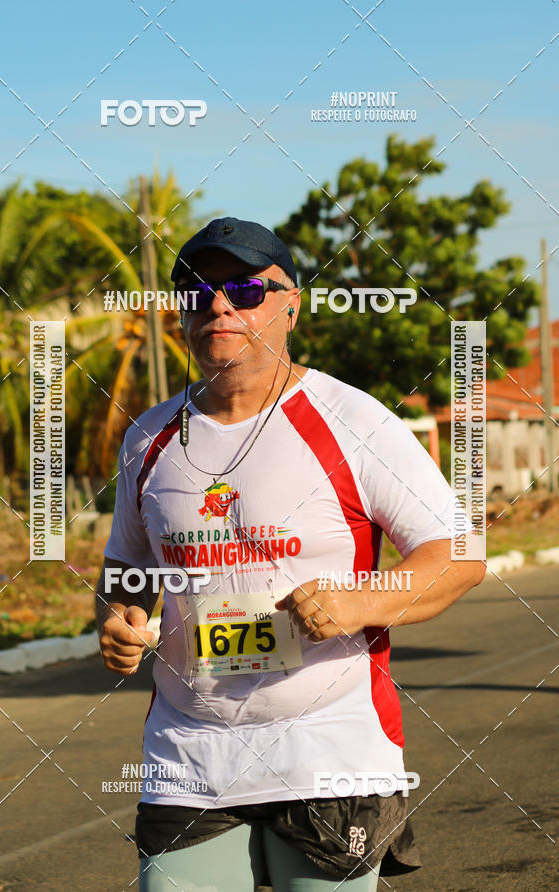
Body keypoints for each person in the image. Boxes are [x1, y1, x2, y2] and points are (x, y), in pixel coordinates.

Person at [96, 217, 486, 891]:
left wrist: (361, 602)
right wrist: (118, 616)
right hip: (189, 755)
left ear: (292, 306)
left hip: (328, 750)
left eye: (247, 290)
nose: (220, 306)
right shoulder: (149, 437)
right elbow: (127, 568)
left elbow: (459, 554)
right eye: (197, 293)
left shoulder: (354, 421)